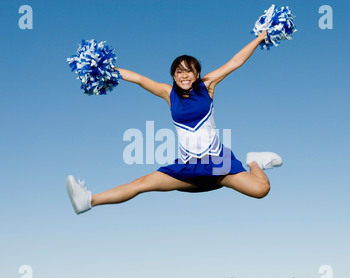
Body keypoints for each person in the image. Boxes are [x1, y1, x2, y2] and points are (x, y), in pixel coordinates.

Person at [66, 30, 282, 215]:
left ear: (197, 74)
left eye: (189, 70)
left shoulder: (207, 86)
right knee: (141, 184)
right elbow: (140, 79)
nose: (184, 75)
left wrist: (260, 37)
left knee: (261, 189)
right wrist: (105, 69)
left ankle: (254, 161)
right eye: (179, 71)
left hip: (218, 164)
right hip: (188, 168)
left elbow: (235, 62)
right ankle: (89, 201)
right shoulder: (169, 94)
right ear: (173, 76)